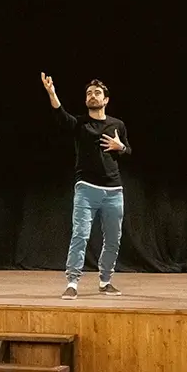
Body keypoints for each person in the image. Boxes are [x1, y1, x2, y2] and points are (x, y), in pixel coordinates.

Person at [41, 73, 131, 299]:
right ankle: (72, 282)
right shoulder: (81, 123)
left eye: (97, 93)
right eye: (89, 93)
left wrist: (120, 147)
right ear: (86, 100)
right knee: (80, 235)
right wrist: (52, 93)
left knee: (113, 238)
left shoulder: (117, 124)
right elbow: (61, 116)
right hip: (86, 189)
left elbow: (128, 152)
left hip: (114, 190)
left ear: (106, 99)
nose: (93, 96)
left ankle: (105, 281)